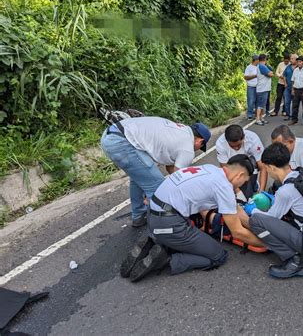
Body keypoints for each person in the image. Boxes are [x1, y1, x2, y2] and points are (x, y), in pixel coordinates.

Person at [121, 155, 264, 282]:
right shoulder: (223, 186)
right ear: (239, 175)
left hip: (153, 214)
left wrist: (256, 227)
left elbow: (236, 209)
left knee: (185, 230)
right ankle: (167, 259)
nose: (241, 185)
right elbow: (237, 232)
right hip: (169, 223)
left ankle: (153, 242)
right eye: (244, 181)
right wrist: (265, 243)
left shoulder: (210, 169)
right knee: (218, 256)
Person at [101, 117, 210, 227]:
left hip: (111, 135)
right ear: (199, 141)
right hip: (122, 142)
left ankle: (139, 215)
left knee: (140, 178)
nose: (197, 150)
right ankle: (164, 228)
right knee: (158, 188)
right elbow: (179, 179)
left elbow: (170, 169)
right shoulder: (187, 149)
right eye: (201, 147)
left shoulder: (179, 131)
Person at [247, 143, 303, 278]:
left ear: (271, 167)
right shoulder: (300, 175)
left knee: (256, 221)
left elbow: (271, 218)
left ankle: (295, 261)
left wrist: (253, 210)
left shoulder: (285, 191)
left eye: (267, 169)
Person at [216, 124, 268, 199]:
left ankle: (253, 183)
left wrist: (262, 192)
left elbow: (263, 167)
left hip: (249, 162)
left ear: (243, 138)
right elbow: (225, 169)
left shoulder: (253, 139)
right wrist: (238, 191)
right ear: (227, 141)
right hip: (233, 164)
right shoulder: (220, 144)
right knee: (242, 195)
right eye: (233, 146)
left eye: (238, 145)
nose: (236, 148)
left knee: (253, 162)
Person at [256, 54, 273, 126]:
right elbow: (271, 74)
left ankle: (261, 118)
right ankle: (257, 119)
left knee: (262, 104)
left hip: (263, 88)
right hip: (262, 88)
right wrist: (270, 72)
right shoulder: (262, 66)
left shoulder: (261, 66)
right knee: (260, 105)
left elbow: (270, 71)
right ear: (265, 59)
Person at [282, 54, 298, 121]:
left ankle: (294, 116)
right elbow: (284, 75)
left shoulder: (298, 67)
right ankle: (289, 115)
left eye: (292, 59)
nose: (290, 60)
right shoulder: (288, 67)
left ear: (296, 59)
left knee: (295, 103)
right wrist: (285, 83)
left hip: (296, 88)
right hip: (288, 87)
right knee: (286, 102)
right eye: (290, 58)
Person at [244, 55, 259, 120]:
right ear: (255, 60)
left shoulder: (259, 67)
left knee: (257, 101)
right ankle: (249, 115)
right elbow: (246, 77)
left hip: (258, 86)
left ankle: (256, 114)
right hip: (251, 86)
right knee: (250, 101)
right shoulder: (249, 67)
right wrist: (255, 76)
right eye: (258, 60)